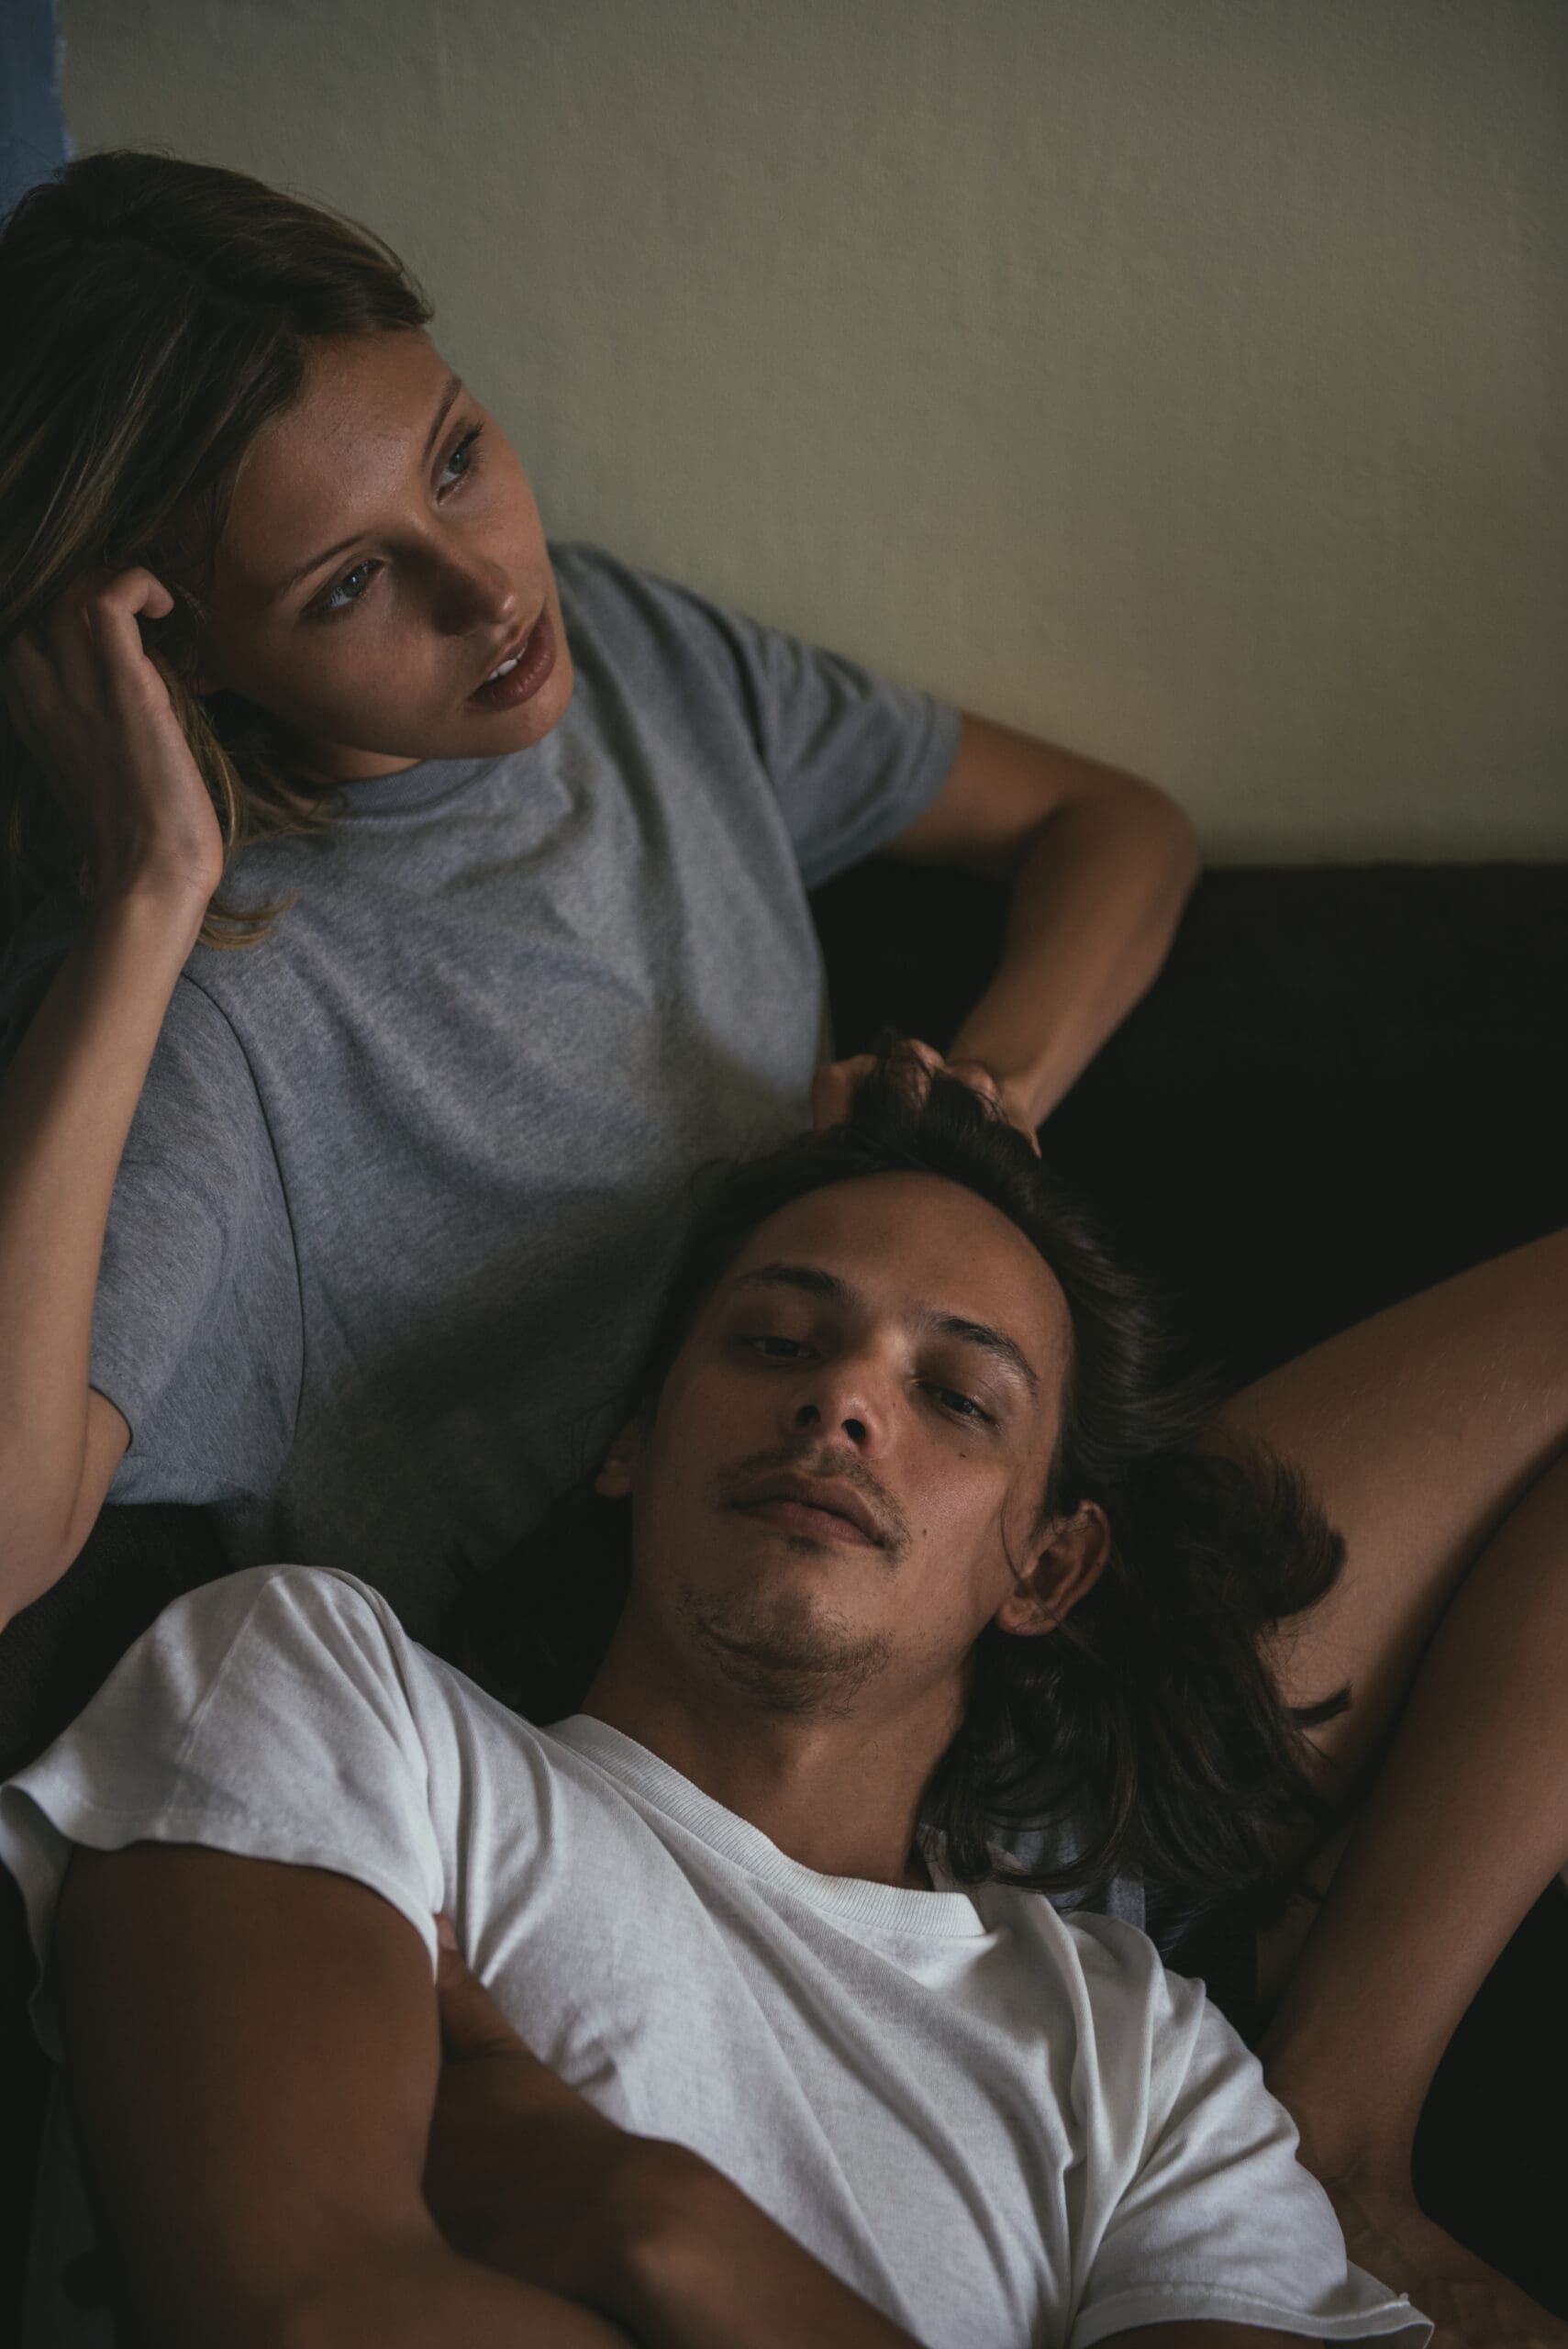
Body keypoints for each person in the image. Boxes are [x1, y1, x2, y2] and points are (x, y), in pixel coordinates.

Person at [0, 1063, 1431, 2349]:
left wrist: (673, 2237)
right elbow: (313, 2319)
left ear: (1047, 1568)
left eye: (954, 1395)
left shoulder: (1141, 2062)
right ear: (632, 1438)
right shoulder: (325, 1694)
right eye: (774, 1343)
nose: (843, 1405)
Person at [0, 149, 1199, 1636]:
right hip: (690, 1702)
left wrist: (984, 1108)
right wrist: (149, 890)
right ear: (163, 653)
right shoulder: (210, 1004)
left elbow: (1117, 826)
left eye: (455, 459)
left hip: (991, 1596)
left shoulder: (627, 652)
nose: (489, 591)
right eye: (348, 584)